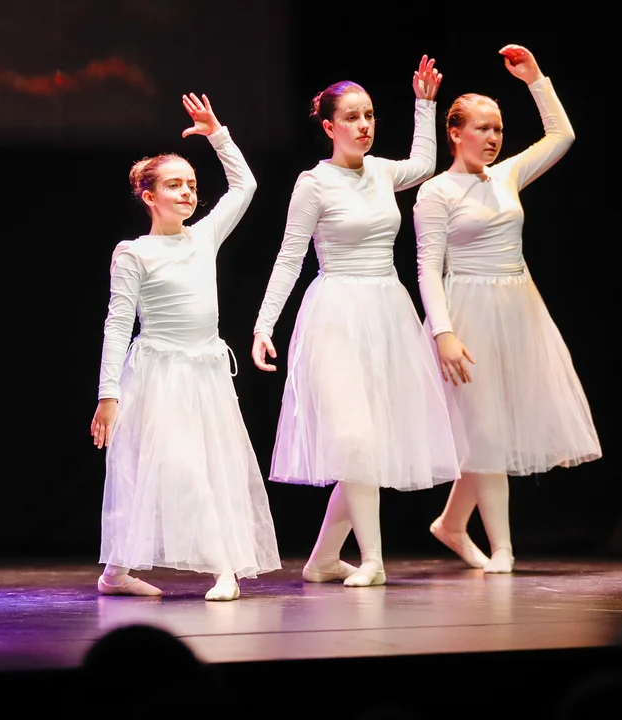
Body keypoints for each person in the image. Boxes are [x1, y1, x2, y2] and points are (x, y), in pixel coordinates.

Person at [251, 56, 457, 588]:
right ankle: (373, 560)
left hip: (386, 311)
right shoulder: (313, 183)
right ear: (329, 127)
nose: (364, 125)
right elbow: (290, 257)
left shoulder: (383, 171)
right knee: (355, 441)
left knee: (368, 445)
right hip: (337, 314)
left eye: (369, 116)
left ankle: (323, 559)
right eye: (352, 117)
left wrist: (425, 104)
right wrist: (263, 325)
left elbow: (424, 162)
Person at [414, 44, 600, 573]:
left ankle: (452, 524)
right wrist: (443, 333)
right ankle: (502, 548)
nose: (494, 137)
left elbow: (562, 136)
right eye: (482, 128)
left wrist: (536, 80)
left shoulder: (508, 174)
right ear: (455, 133)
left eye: (498, 128)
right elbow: (428, 269)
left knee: (491, 429)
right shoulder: (436, 192)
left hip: (518, 308)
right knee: (486, 432)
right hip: (467, 312)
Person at [91, 93, 281, 601]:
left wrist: (218, 135)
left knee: (212, 469)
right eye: (174, 185)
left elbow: (245, 185)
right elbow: (117, 325)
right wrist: (108, 393)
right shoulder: (134, 253)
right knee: (167, 470)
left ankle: (116, 574)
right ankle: (222, 569)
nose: (187, 193)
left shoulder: (204, 236)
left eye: (192, 185)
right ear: (148, 195)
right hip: (158, 375)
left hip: (206, 373)